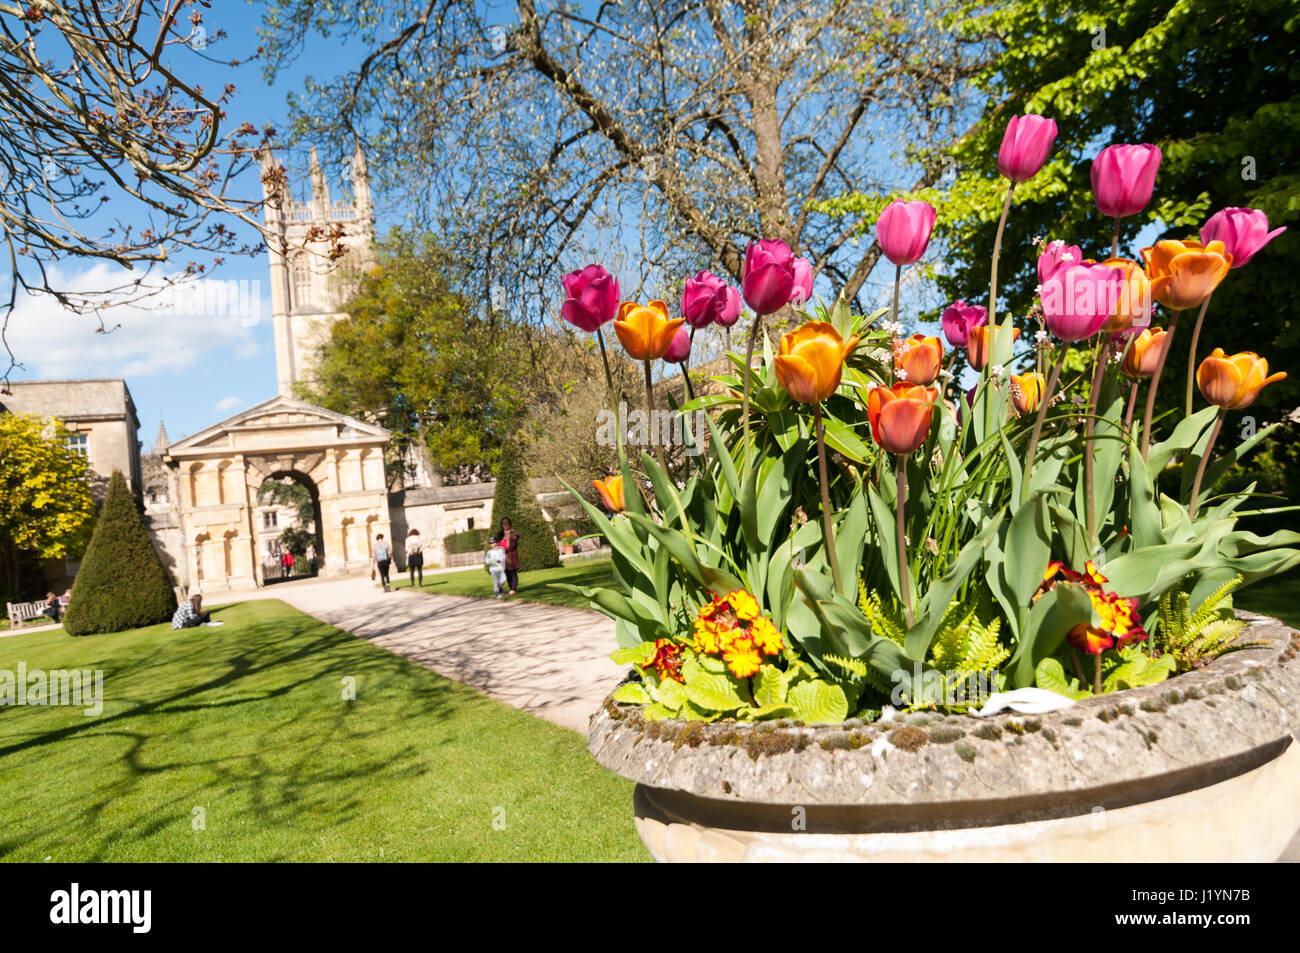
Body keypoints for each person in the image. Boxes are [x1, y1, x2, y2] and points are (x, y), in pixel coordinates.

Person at [490, 518, 520, 595]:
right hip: (502, 558)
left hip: (511, 557)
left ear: (510, 523)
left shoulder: (513, 533)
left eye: (507, 523)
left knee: (512, 573)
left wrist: (502, 550)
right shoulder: (500, 534)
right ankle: (511, 589)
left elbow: (512, 546)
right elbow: (495, 543)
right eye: (503, 523)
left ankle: (513, 589)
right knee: (506, 573)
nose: (505, 524)